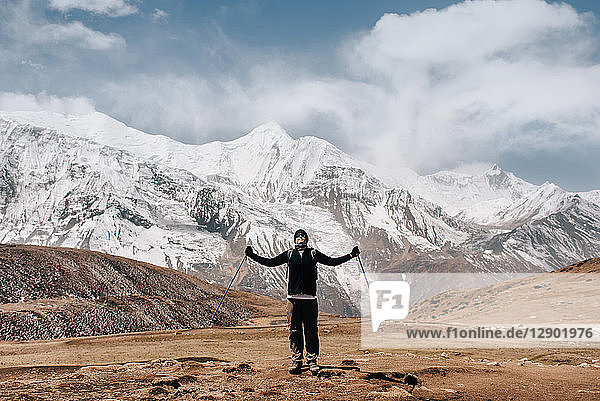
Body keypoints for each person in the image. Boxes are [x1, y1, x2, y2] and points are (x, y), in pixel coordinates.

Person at [245, 229, 360, 375]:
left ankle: (312, 361)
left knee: (311, 331)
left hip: (310, 299)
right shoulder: (289, 254)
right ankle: (296, 360)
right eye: (298, 237)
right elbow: (270, 263)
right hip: (293, 299)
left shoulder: (313, 254)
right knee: (294, 331)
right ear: (294, 240)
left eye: (303, 236)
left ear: (306, 239)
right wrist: (251, 255)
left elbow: (332, 262)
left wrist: (351, 255)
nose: (300, 238)